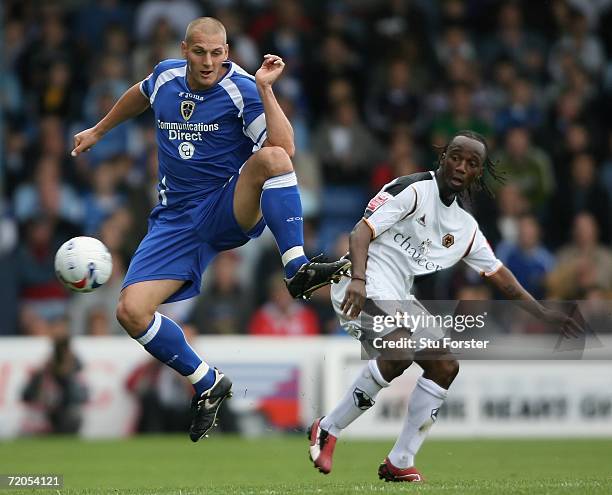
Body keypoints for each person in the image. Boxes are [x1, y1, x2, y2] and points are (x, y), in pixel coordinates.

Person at [71, 17, 350, 443]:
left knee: (273, 160)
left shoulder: (240, 87)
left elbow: (286, 148)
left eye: (217, 53)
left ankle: (296, 266)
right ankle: (207, 381)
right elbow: (139, 95)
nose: (208, 62)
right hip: (174, 221)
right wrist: (99, 129)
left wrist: (267, 88)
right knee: (130, 311)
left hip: (225, 204)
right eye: (200, 52)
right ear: (185, 49)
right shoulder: (165, 76)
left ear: (227, 53)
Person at [307, 131, 582, 482]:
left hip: (398, 297)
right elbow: (361, 232)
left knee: (445, 365)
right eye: (455, 156)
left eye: (471, 163)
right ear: (443, 157)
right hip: (360, 281)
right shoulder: (413, 189)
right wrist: (359, 280)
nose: (460, 166)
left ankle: (400, 460)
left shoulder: (465, 227)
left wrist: (544, 313)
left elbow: (501, 277)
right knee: (400, 351)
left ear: (477, 173)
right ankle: (328, 428)